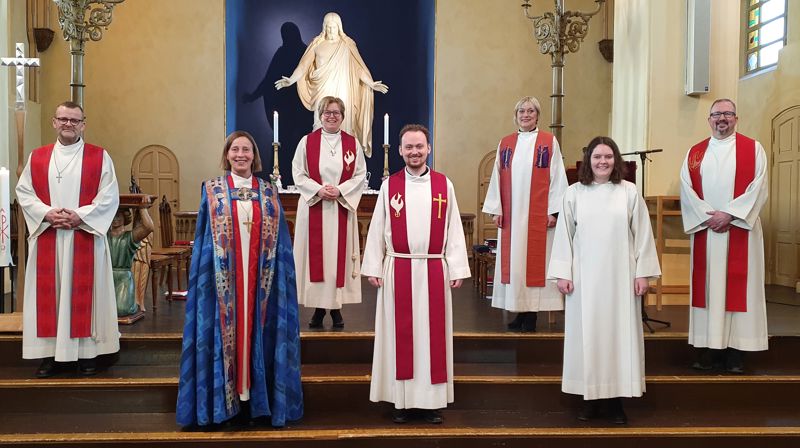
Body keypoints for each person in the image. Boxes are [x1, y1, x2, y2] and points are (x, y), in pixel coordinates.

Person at [176, 131, 303, 428]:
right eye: (235, 149)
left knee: (259, 334)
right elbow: (203, 240)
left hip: (261, 282)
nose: (241, 155)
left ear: (254, 155)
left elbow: (281, 241)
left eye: (246, 150)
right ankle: (223, 406)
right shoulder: (213, 191)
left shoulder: (269, 192)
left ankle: (256, 404)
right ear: (227, 154)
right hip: (224, 282)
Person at [362, 124, 471, 425]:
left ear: (428, 148)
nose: (414, 152)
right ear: (400, 151)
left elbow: (454, 228)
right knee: (399, 337)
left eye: (419, 146)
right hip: (398, 268)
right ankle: (401, 401)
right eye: (409, 147)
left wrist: (457, 267)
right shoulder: (390, 186)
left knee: (431, 338)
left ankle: (431, 402)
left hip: (434, 268)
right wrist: (374, 266)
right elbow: (377, 227)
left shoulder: (444, 185)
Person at [549, 136, 661, 424]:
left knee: (618, 338)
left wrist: (643, 273)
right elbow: (564, 235)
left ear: (616, 160)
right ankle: (590, 400)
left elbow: (642, 234)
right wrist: (563, 273)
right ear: (588, 160)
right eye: (597, 157)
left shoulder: (629, 192)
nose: (603, 162)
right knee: (587, 338)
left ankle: (615, 403)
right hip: (584, 281)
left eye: (608, 157)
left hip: (620, 278)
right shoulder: (574, 193)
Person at [16, 101, 120, 378]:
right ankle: (50, 356)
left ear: (83, 125)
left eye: (74, 120)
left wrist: (79, 217)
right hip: (49, 237)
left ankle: (87, 354)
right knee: (50, 297)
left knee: (84, 296)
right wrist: (47, 214)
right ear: (54, 122)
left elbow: (109, 196)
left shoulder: (99, 157)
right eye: (63, 119)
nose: (68, 124)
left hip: (83, 236)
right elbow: (24, 192)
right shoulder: (37, 157)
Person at [679, 98, 768, 374]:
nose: (722, 119)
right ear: (709, 120)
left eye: (728, 114)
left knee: (740, 290)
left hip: (740, 231)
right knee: (708, 291)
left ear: (736, 119)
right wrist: (709, 217)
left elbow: (759, 187)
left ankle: (736, 353)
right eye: (717, 114)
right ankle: (708, 351)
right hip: (707, 232)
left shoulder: (753, 149)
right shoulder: (695, 153)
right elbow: (686, 190)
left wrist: (729, 215)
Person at [482, 96, 568, 332]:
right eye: (522, 111)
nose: (526, 115)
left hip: (538, 218)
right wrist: (496, 210)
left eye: (531, 111)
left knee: (534, 266)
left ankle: (532, 316)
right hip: (511, 216)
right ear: (516, 115)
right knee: (516, 268)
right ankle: (519, 311)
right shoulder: (506, 143)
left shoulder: (548, 142)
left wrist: (553, 211)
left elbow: (557, 177)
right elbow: (497, 176)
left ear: (538, 116)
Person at [292, 96, 367, 329]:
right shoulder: (307, 142)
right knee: (317, 260)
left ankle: (335, 308)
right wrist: (318, 189)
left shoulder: (352, 144)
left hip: (339, 208)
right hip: (314, 206)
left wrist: (340, 190)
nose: (331, 116)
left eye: (336, 112)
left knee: (336, 259)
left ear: (342, 116)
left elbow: (360, 175)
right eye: (327, 112)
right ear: (320, 115)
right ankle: (317, 309)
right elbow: (298, 172)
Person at [275, 12, 388, 157]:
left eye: (334, 27)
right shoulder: (317, 45)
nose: (331, 30)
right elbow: (303, 66)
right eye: (328, 27)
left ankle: (345, 163)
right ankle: (319, 162)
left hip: (343, 91)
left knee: (344, 126)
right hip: (322, 92)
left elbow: (358, 69)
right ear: (324, 27)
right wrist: (291, 80)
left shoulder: (347, 45)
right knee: (320, 125)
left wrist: (371, 83)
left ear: (339, 27)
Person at [109, 207, 154, 317]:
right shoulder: (104, 235)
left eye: (119, 215)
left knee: (122, 309)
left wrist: (142, 208)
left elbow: (148, 227)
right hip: (107, 276)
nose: (115, 218)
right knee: (102, 309)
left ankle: (132, 304)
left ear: (125, 217)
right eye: (113, 214)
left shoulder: (130, 236)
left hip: (124, 277)